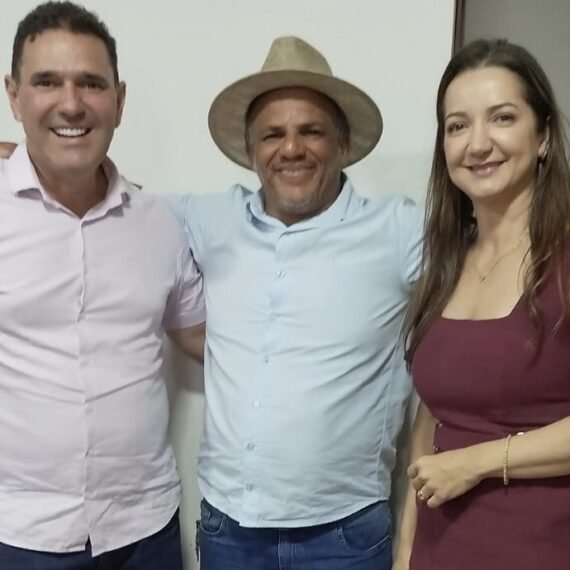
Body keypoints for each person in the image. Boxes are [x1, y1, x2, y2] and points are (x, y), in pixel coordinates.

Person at [166, 36, 421, 570]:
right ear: (251, 151)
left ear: (343, 143)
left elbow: (498, 257)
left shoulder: (399, 230)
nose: (291, 149)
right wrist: (20, 160)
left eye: (311, 131)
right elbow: (115, 201)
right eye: (272, 134)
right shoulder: (208, 219)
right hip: (229, 528)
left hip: (344, 534)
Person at [0, 2, 205, 569]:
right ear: (14, 95)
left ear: (119, 100)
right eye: (47, 82)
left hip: (144, 528)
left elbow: (201, 336)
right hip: (21, 534)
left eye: (91, 83)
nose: (71, 103)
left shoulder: (158, 222)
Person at [394, 39, 570, 570]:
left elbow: (458, 461)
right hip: (440, 552)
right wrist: (405, 552)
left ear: (543, 135)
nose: (477, 143)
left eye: (502, 118)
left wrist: (478, 462)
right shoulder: (448, 260)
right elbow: (431, 417)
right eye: (457, 126)